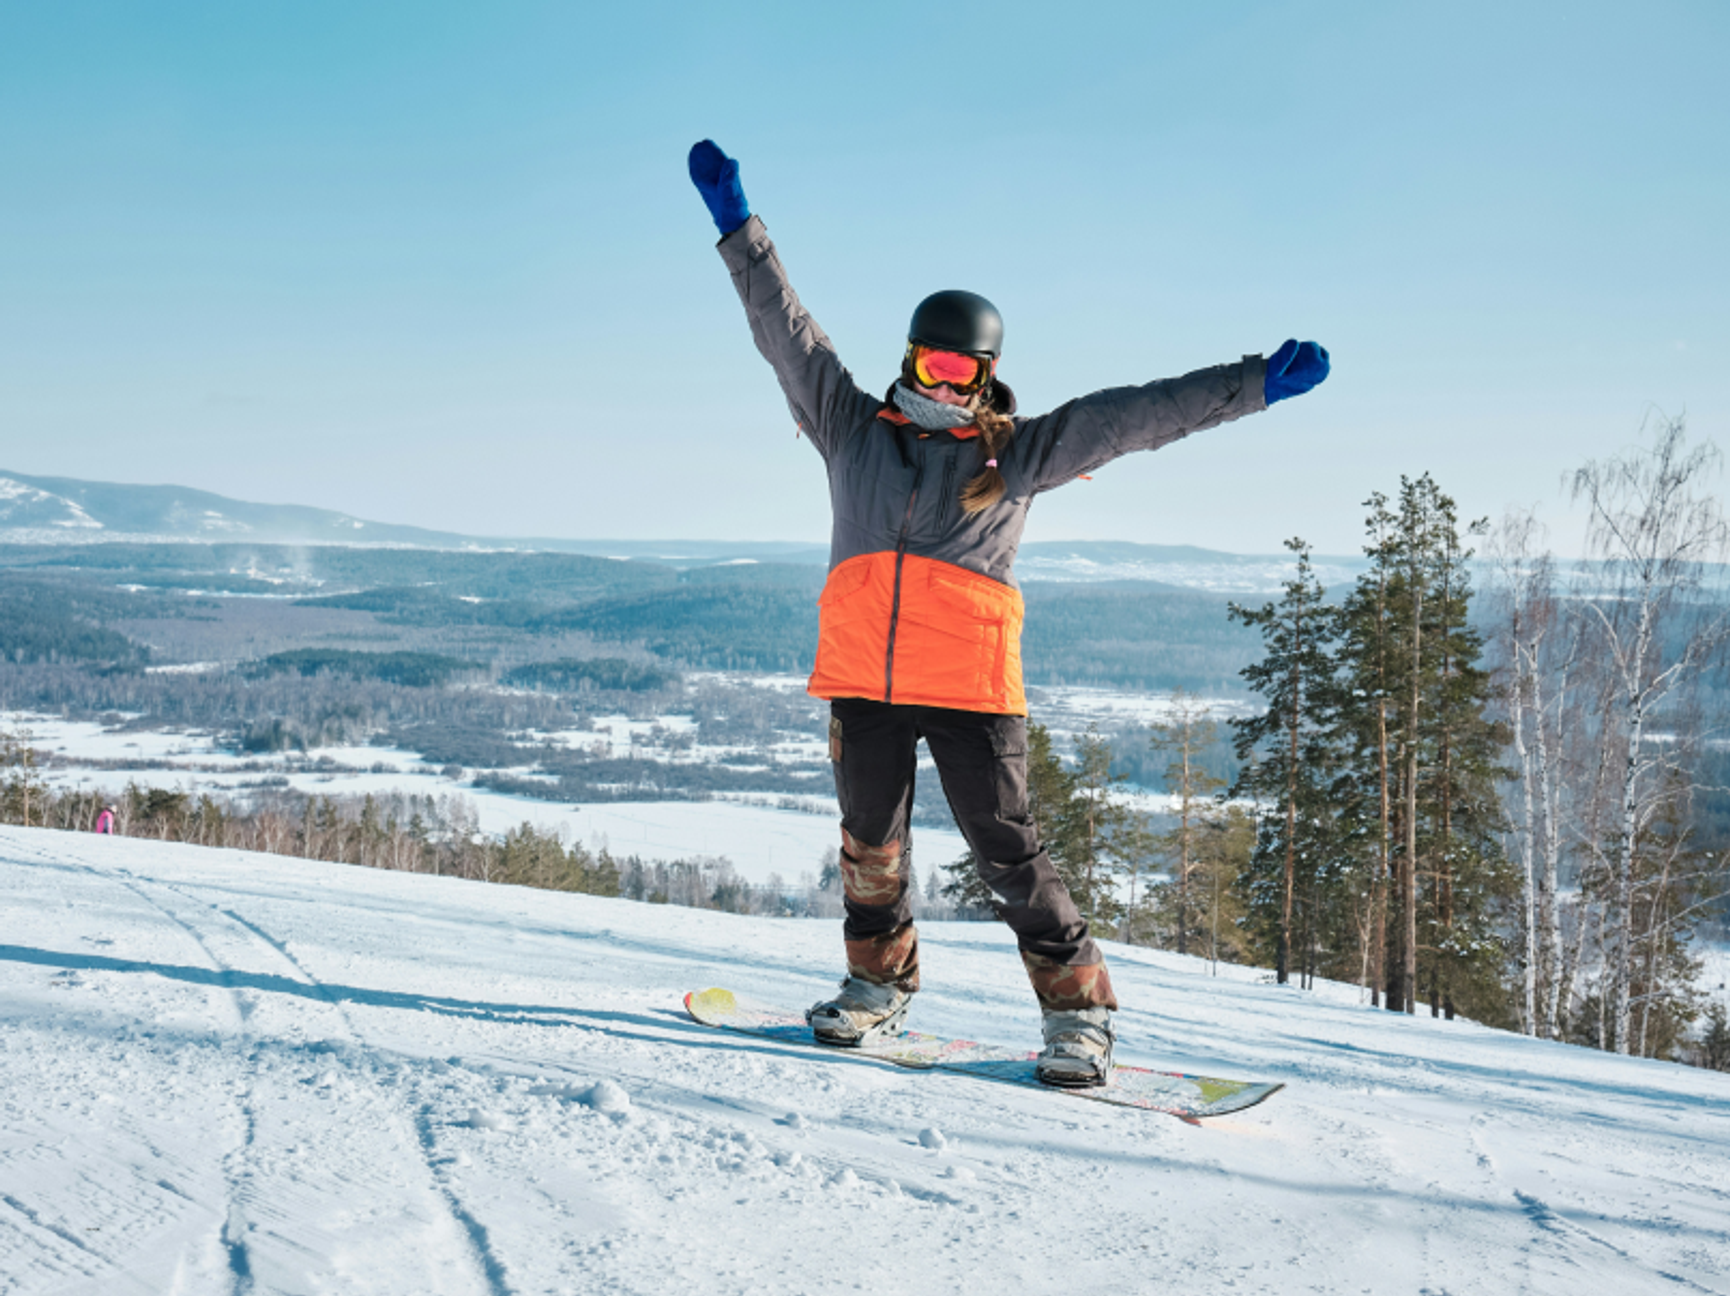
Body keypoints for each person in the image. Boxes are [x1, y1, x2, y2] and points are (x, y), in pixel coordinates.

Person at [687, 139, 1329, 1086]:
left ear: (986, 374)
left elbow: (1133, 415)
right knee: (871, 852)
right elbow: (784, 329)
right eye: (933, 362)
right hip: (865, 679)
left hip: (971, 689)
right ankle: (877, 989)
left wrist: (1252, 386)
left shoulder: (1013, 458)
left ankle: (1078, 1017)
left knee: (1009, 857)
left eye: (963, 368)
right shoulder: (848, 427)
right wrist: (737, 226)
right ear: (912, 357)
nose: (945, 381)